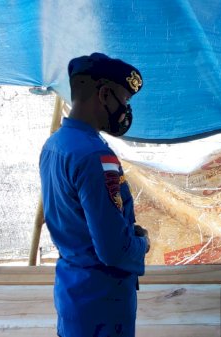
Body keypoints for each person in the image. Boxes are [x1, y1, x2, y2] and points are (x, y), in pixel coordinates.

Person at [39, 52, 150, 337]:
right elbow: (113, 250)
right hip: (104, 308)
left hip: (74, 296)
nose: (126, 109)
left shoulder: (54, 145)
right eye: (124, 100)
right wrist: (142, 242)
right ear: (104, 95)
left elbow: (76, 221)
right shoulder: (96, 156)